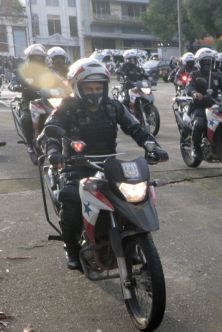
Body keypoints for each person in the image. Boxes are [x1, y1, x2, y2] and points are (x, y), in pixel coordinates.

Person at [44, 58, 168, 270]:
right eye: (89, 88)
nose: (94, 92)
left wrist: (151, 146)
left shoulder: (114, 107)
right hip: (76, 165)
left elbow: (135, 128)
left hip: (109, 164)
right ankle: (71, 248)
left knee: (131, 200)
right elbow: (52, 128)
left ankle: (131, 245)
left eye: (98, 87)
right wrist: (54, 152)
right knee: (71, 201)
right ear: (77, 87)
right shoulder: (67, 107)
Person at [185, 47, 222, 159]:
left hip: (214, 105)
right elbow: (189, 87)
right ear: (199, 63)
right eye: (205, 62)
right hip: (198, 106)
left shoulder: (216, 76)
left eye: (210, 62)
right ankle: (195, 147)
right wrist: (194, 93)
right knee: (200, 122)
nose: (208, 64)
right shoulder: (194, 75)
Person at [12, 44, 49, 149]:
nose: (37, 61)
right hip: (28, 101)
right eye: (34, 58)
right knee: (26, 119)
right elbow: (15, 79)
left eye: (40, 58)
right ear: (29, 59)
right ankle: (29, 143)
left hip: (45, 100)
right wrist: (15, 85)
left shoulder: (47, 71)